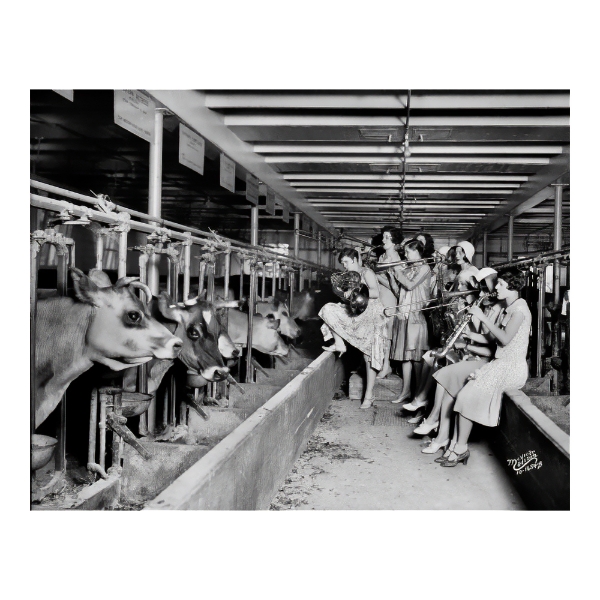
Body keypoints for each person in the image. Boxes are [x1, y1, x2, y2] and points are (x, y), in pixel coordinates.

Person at [423, 267, 532, 466]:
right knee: (460, 391)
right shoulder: (510, 307)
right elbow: (494, 338)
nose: (496, 287)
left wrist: (482, 319)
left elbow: (505, 339)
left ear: (512, 286)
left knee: (466, 396)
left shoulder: (519, 310)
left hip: (511, 368)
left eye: (500, 283)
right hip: (500, 364)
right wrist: (469, 336)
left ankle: (460, 448)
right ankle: (455, 444)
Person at [411, 267, 501, 437]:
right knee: (437, 363)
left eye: (485, 287)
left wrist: (467, 344)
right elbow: (480, 336)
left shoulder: (495, 309)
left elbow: (491, 343)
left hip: (483, 357)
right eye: (480, 287)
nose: (483, 291)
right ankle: (431, 418)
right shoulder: (485, 306)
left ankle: (433, 420)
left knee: (443, 371)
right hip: (474, 352)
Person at [319, 248, 389, 409]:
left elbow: (375, 293)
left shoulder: (367, 272)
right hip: (356, 312)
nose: (344, 265)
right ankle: (339, 343)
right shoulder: (346, 276)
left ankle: (369, 395)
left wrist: (355, 290)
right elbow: (346, 298)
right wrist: (342, 295)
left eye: (346, 262)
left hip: (371, 313)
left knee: (368, 356)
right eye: (342, 262)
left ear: (356, 259)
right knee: (328, 309)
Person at [389, 239, 431, 404]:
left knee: (416, 358)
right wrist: (392, 275)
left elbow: (411, 285)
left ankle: (418, 394)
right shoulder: (409, 268)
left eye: (407, 252)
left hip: (416, 316)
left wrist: (398, 272)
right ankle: (405, 392)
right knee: (406, 358)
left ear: (417, 251)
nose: (405, 255)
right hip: (404, 314)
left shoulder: (425, 268)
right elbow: (398, 290)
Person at [375, 227, 403, 379]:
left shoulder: (396, 259)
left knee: (388, 334)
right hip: (379, 297)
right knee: (379, 332)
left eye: (387, 237)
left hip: (390, 298)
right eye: (383, 237)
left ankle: (387, 365)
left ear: (394, 242)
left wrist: (375, 276)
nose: (383, 240)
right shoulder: (383, 256)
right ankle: (379, 363)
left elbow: (396, 287)